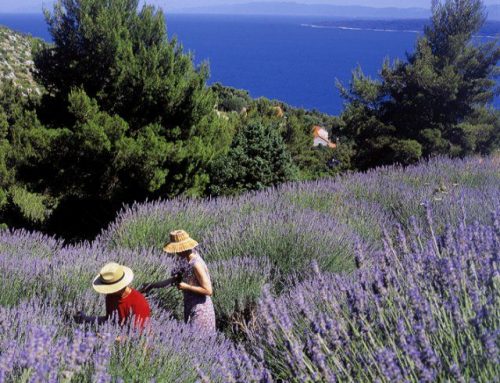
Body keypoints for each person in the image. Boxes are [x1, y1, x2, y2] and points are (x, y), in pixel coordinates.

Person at [140, 230, 216, 335]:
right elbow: (174, 280)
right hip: (189, 306)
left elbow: (208, 290)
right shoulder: (184, 260)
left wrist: (187, 287)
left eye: (177, 249)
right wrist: (152, 285)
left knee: (199, 342)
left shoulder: (196, 264)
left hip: (201, 310)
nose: (176, 252)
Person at [75, 262, 151, 331]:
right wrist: (86, 319)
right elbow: (109, 320)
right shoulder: (110, 297)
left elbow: (138, 335)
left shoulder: (138, 302)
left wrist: (110, 338)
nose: (107, 290)